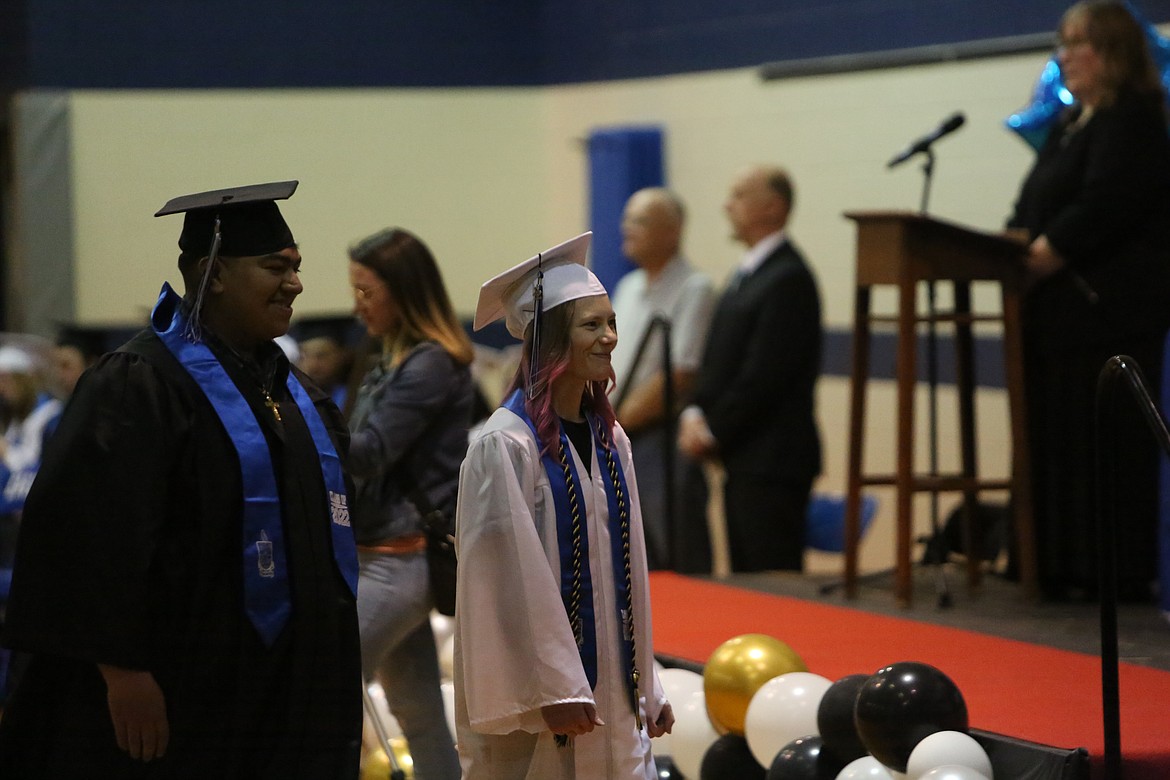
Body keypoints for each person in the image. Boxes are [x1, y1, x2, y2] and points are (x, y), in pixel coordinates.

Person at [0, 181, 363, 777]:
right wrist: (122, 671)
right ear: (214, 273)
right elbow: (86, 537)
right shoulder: (139, 385)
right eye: (276, 266)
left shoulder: (293, 392)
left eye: (296, 266)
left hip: (289, 686)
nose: (295, 283)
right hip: (185, 684)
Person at [454, 231, 674, 779]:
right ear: (551, 340)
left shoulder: (610, 438)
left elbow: (628, 572)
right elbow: (503, 584)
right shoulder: (505, 444)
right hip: (548, 706)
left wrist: (647, 678)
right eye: (591, 325)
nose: (609, 338)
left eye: (611, 323)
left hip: (614, 697)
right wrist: (555, 685)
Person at [1006, 0, 1170, 601]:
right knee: (1060, 448)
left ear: (1116, 54)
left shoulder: (1134, 119)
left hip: (1108, 320)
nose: (1066, 55)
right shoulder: (1071, 128)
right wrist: (1012, 244)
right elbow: (1029, 210)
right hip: (1058, 321)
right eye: (1063, 42)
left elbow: (1106, 202)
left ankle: (1108, 572)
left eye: (1081, 43)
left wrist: (1045, 251)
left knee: (1104, 449)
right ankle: (1058, 564)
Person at [346, 227, 472, 780]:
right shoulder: (391, 358)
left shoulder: (429, 364)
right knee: (418, 712)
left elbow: (369, 452)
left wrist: (298, 411)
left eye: (367, 290)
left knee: (325, 688)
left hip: (402, 557)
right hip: (387, 552)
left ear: (404, 289)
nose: (358, 304)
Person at [677, 165, 823, 572]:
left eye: (739, 196)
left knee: (770, 577)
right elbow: (718, 360)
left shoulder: (788, 277)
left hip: (773, 462)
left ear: (773, 208)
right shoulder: (749, 274)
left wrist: (710, 429)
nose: (727, 206)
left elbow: (764, 377)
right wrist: (694, 410)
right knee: (747, 579)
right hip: (745, 458)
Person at [611, 188, 716, 570]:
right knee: (632, 557)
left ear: (673, 231)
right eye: (626, 219)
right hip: (621, 433)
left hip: (661, 437)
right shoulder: (628, 287)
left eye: (639, 221)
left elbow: (681, 374)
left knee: (673, 550)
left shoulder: (694, 287)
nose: (626, 228)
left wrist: (615, 422)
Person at [293, 315, 359, 413]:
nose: (312, 365)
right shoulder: (293, 400)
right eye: (305, 356)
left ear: (342, 356)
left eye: (321, 356)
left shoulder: (355, 397)